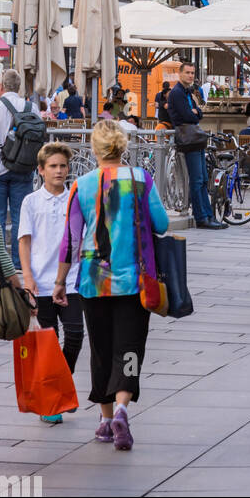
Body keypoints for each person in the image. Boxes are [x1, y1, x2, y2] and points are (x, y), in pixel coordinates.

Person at [56, 120, 170, 452]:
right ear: (123, 147)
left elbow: (69, 241)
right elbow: (161, 223)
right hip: (135, 280)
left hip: (93, 281)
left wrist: (61, 281)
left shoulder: (82, 185)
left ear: (94, 149)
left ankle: (105, 420)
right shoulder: (141, 180)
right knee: (130, 348)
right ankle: (122, 407)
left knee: (101, 350)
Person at [18, 143, 83, 423]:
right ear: (41, 170)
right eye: (53, 166)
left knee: (76, 336)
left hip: (72, 282)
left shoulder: (75, 200)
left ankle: (60, 385)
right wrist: (27, 277)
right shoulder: (31, 201)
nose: (59, 171)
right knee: (49, 343)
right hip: (41, 284)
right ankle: (51, 403)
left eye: (63, 166)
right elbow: (24, 240)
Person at [168, 61, 226, 231]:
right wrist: (195, 113)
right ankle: (202, 217)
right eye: (187, 72)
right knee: (197, 179)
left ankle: (208, 216)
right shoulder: (177, 93)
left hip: (194, 138)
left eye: (192, 73)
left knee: (202, 179)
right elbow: (189, 115)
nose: (190, 76)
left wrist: (195, 112)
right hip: (188, 139)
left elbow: (198, 113)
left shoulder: (187, 92)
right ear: (180, 74)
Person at [0, 67, 35, 269]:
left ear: (3, 86)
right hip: (23, 167)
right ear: (20, 87)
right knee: (22, 216)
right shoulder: (31, 107)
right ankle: (18, 261)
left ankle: (1, 264)